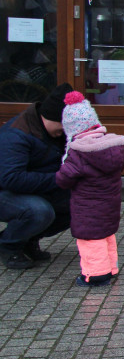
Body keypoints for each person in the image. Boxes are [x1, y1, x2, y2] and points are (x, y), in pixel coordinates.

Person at [55, 91, 124, 287]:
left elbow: (64, 179)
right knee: (106, 236)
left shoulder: (78, 153)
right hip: (109, 205)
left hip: (87, 209)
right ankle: (111, 268)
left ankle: (96, 275)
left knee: (90, 241)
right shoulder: (111, 147)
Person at [0, 82, 73, 269]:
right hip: (6, 192)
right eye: (65, 126)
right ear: (52, 117)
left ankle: (28, 240)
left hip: (33, 188)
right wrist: (59, 178)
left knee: (79, 205)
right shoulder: (16, 134)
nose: (66, 132)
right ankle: (9, 245)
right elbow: (11, 179)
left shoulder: (55, 133)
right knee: (39, 211)